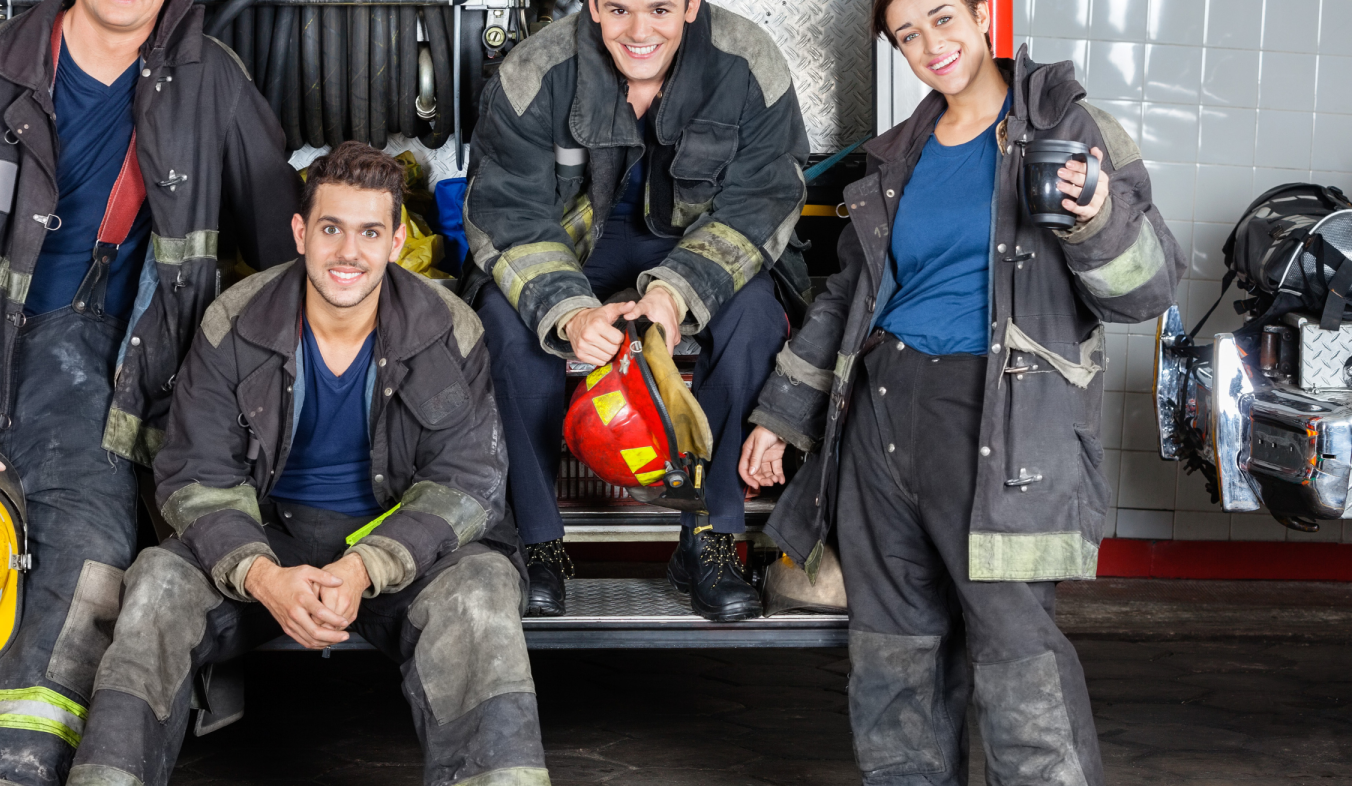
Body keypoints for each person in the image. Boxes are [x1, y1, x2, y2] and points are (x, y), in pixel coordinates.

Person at [0, 0, 300, 783]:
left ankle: (7, 774)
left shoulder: (209, 81)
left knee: (80, 593)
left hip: (98, 388)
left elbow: (282, 240)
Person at [739, 1, 1184, 783]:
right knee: (893, 660)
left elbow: (1145, 292)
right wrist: (783, 414)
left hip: (997, 420)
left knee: (1016, 655)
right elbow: (849, 298)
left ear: (984, 14)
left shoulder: (1069, 132)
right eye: (907, 34)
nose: (929, 46)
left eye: (943, 18)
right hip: (880, 418)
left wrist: (1096, 217)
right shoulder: (897, 158)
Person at [65, 143, 546, 786]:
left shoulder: (447, 328)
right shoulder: (233, 323)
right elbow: (195, 474)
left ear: (398, 240)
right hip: (266, 539)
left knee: (484, 589)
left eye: (370, 232)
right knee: (157, 581)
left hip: (398, 549)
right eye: (331, 228)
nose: (349, 252)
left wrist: (362, 567)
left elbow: (467, 484)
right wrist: (265, 577)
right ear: (300, 233)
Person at [464, 0, 808, 621]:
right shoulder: (532, 72)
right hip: (569, 248)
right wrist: (570, 312)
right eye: (619, 8)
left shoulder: (748, 62)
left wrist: (677, 289)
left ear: (692, 5)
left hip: (695, 246)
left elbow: (765, 197)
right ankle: (540, 545)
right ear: (594, 5)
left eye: (659, 8)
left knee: (755, 318)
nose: (639, 30)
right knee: (503, 325)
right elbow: (506, 210)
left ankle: (708, 540)